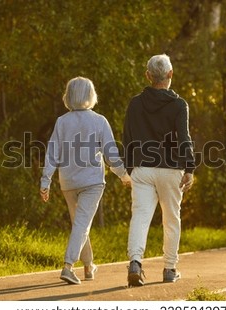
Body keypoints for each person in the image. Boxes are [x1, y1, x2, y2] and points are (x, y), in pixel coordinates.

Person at [40, 76, 131, 285]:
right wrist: (124, 176)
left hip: (68, 182)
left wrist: (46, 182)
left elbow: (52, 153)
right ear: (91, 95)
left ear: (69, 96)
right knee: (81, 224)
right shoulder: (99, 121)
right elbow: (111, 155)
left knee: (80, 224)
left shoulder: (62, 121)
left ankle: (89, 266)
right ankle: (68, 266)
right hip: (92, 182)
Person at [123, 54, 196, 286]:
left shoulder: (135, 103)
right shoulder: (179, 105)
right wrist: (190, 168)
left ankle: (135, 263)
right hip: (171, 169)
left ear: (148, 76)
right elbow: (184, 139)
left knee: (140, 217)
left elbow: (128, 138)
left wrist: (129, 168)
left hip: (142, 169)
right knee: (171, 219)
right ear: (170, 75)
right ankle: (169, 269)